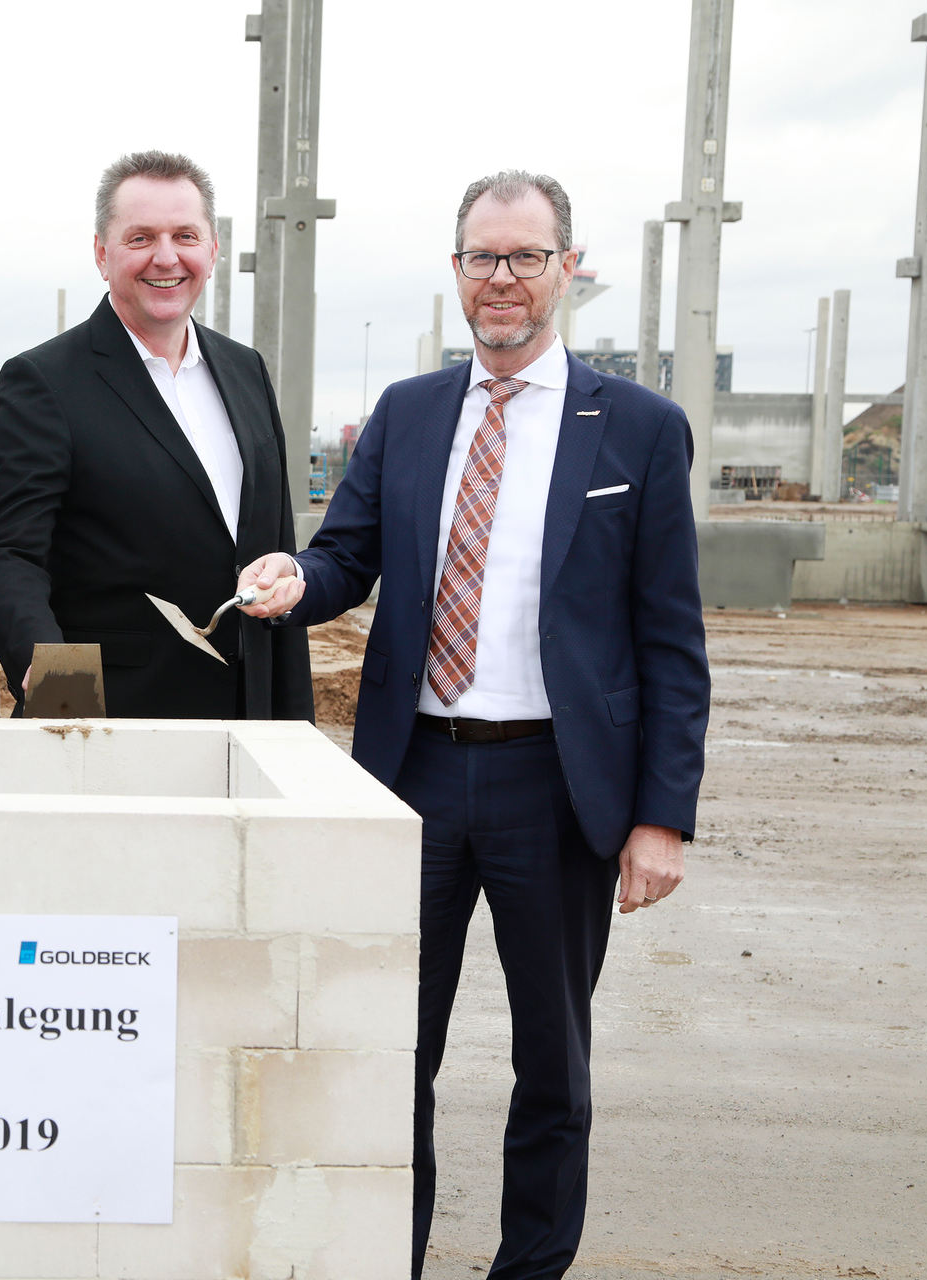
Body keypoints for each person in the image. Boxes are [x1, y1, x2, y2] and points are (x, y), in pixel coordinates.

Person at [240, 170, 709, 1277]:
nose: (503, 279)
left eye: (526, 256)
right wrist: (294, 577)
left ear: (566, 269)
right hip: (411, 780)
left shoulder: (637, 428)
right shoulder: (408, 414)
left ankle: (531, 1265)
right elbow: (347, 553)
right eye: (483, 257)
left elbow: (671, 640)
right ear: (456, 271)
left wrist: (663, 818)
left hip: (559, 784)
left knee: (553, 1060)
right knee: (393, 1048)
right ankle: (383, 1256)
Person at [0, 150, 311, 720]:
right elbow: (7, 553)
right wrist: (49, 669)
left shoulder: (247, 370)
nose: (166, 257)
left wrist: (292, 711)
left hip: (250, 714)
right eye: (140, 238)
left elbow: (273, 538)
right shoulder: (45, 381)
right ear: (102, 255)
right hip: (109, 718)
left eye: (185, 235)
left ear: (212, 250)